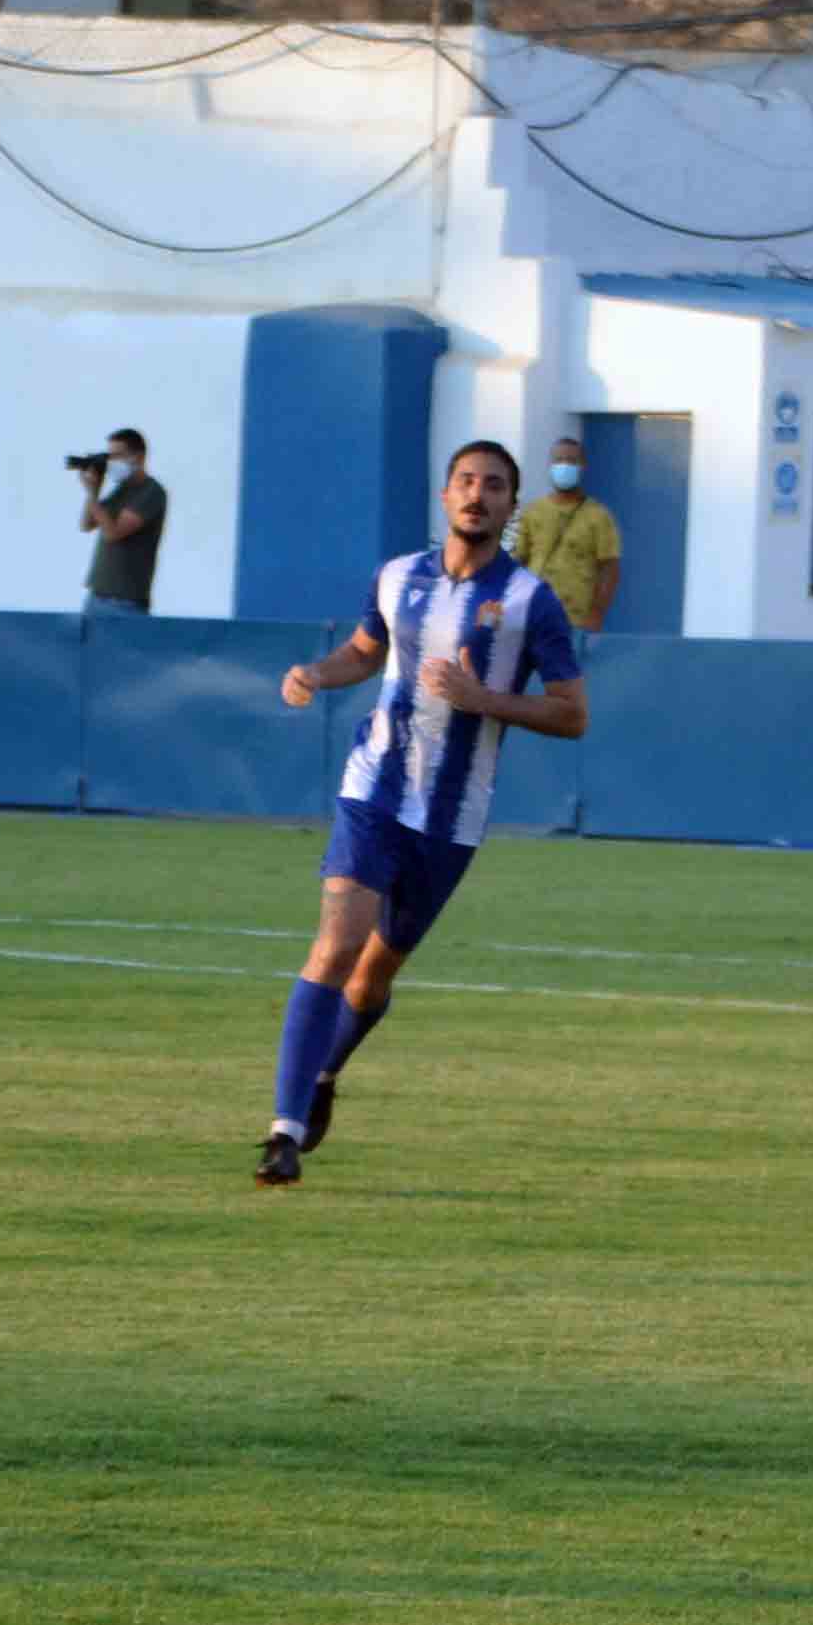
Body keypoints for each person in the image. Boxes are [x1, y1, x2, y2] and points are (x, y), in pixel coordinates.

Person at [257, 439, 587, 1186]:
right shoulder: (397, 575)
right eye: (466, 481)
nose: (478, 494)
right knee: (335, 947)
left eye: (494, 485)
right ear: (445, 495)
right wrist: (316, 671)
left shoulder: (532, 602)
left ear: (510, 506)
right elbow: (364, 651)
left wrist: (485, 701)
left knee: (371, 978)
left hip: (450, 818)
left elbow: (573, 714)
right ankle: (282, 1130)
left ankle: (325, 1074)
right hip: (372, 788)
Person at [518, 434, 622, 633]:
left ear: (582, 465)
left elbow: (610, 570)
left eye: (571, 461)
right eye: (558, 460)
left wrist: (597, 613)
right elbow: (519, 562)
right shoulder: (533, 512)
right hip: (534, 616)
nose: (564, 465)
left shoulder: (598, 516)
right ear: (550, 465)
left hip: (576, 621)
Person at [79, 427, 165, 615]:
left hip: (126, 603)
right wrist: (94, 490)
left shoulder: (151, 492)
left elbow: (113, 533)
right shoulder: (121, 490)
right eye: (110, 456)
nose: (112, 462)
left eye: (118, 455)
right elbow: (86, 524)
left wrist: (92, 495)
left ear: (139, 457)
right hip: (96, 598)